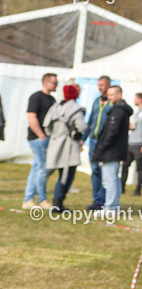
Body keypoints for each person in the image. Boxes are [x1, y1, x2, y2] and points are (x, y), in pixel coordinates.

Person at [43, 83, 88, 213]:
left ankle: (54, 200)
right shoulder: (75, 108)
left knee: (56, 172)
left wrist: (55, 135)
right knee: (67, 175)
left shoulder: (55, 107)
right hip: (68, 146)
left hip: (55, 144)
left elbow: (47, 127)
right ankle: (58, 202)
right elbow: (82, 127)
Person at [92, 85, 133, 214]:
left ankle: (111, 207)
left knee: (109, 180)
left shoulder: (118, 110)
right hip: (115, 150)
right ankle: (113, 206)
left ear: (119, 94)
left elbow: (112, 131)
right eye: (108, 94)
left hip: (111, 150)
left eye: (111, 95)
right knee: (113, 179)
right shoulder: (118, 109)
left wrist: (102, 147)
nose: (108, 97)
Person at [22, 72, 58, 209]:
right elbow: (31, 117)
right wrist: (41, 135)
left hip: (46, 138)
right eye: (54, 82)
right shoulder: (36, 97)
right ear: (46, 82)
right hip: (38, 138)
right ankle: (42, 199)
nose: (56, 85)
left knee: (36, 169)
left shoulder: (52, 99)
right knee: (42, 170)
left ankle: (28, 199)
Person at [83, 75, 112, 210]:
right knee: (95, 171)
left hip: (104, 142)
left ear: (108, 85)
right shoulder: (96, 101)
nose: (99, 87)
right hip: (93, 141)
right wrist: (83, 139)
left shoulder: (112, 103)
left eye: (102, 85)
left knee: (104, 171)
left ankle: (104, 200)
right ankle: (97, 201)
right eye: (98, 85)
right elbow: (90, 121)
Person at [121, 92, 142, 196]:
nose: (134, 101)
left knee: (139, 167)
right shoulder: (137, 112)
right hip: (131, 143)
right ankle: (121, 188)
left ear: (140, 99)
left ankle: (138, 190)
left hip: (140, 144)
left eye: (135, 98)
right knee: (125, 165)